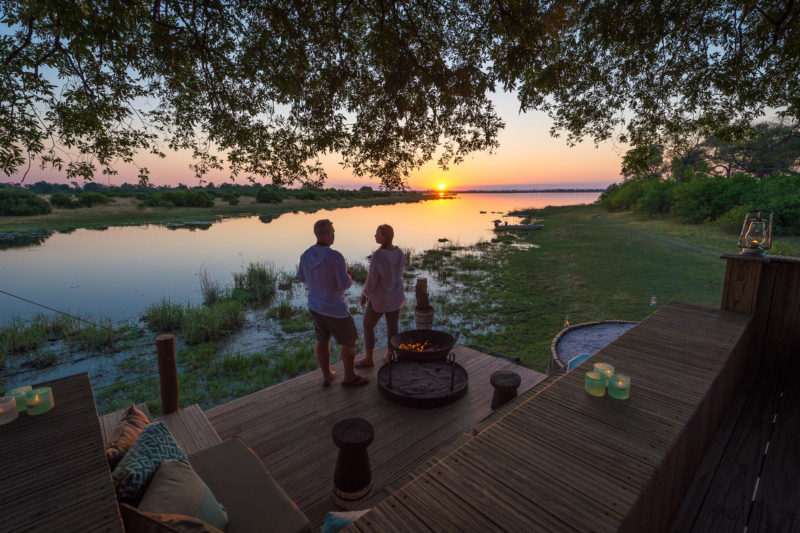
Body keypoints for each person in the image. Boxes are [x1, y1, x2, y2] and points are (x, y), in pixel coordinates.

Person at [297, 219, 368, 387]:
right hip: (335, 308)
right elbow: (344, 284)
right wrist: (349, 274)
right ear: (328, 233)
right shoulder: (335, 257)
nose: (334, 235)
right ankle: (349, 376)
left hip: (315, 305)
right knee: (350, 341)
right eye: (333, 232)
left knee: (322, 339)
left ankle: (327, 374)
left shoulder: (305, 255)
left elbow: (302, 278)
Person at [355, 224, 407, 368]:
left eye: (377, 234)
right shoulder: (399, 252)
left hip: (381, 298)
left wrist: (365, 293)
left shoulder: (379, 255)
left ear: (384, 237)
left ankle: (369, 358)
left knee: (367, 325)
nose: (375, 236)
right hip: (395, 296)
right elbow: (402, 266)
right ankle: (390, 355)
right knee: (392, 328)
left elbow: (372, 279)